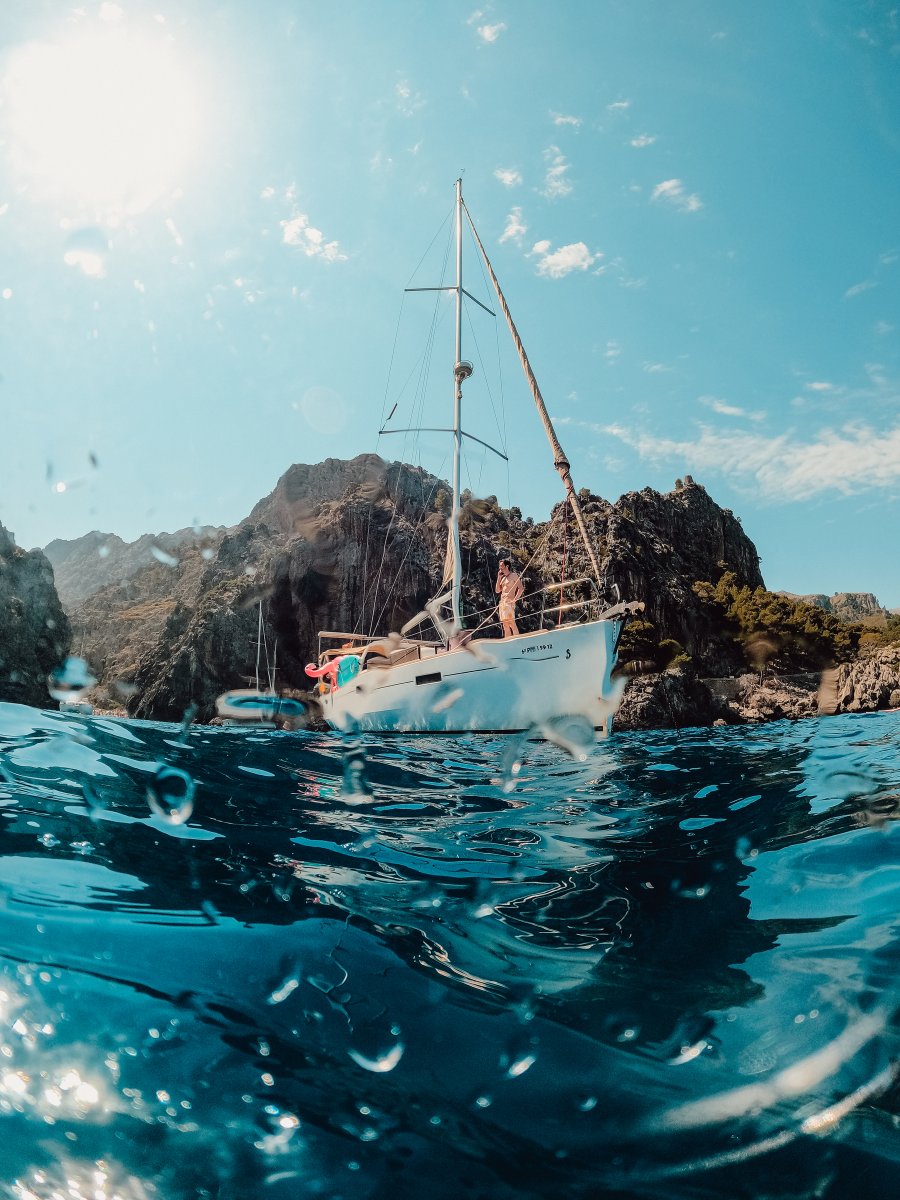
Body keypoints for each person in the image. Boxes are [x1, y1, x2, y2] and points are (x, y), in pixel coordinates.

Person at [495, 556, 523, 638]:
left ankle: (517, 640)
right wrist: (499, 578)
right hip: (502, 603)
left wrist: (514, 600)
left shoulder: (514, 575)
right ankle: (508, 641)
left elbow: (521, 588)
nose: (500, 568)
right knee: (505, 625)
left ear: (507, 566)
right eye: (499, 566)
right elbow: (497, 590)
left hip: (509, 602)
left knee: (511, 623)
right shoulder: (503, 578)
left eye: (501, 566)